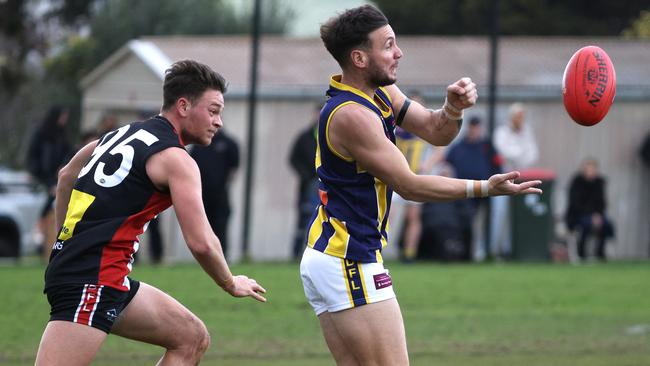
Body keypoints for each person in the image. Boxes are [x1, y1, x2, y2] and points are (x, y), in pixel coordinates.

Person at [299, 5, 542, 365]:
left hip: (336, 256)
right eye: (389, 45)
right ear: (359, 58)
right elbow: (408, 185)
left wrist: (453, 109)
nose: (399, 53)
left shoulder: (381, 93)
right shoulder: (352, 115)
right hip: (348, 259)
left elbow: (434, 129)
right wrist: (484, 188)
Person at [35, 60, 266, 366]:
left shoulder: (120, 134)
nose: (219, 121)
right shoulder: (176, 159)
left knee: (191, 338)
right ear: (183, 106)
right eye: (213, 110)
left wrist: (64, 240)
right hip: (91, 279)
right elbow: (202, 243)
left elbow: (66, 177)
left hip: (104, 277)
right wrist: (229, 282)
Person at [446, 116, 502, 259]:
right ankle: (467, 254)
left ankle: (489, 252)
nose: (475, 131)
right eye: (472, 127)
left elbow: (498, 165)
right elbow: (447, 165)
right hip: (465, 192)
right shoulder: (458, 147)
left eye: (477, 128)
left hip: (487, 191)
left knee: (489, 222)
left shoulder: (487, 146)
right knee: (467, 223)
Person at [491, 102, 539, 260]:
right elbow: (505, 151)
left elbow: (532, 155)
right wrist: (520, 153)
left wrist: (519, 154)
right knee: (500, 214)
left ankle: (511, 251)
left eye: (522, 116)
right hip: (503, 177)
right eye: (518, 115)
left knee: (518, 216)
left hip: (522, 178)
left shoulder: (527, 132)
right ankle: (495, 251)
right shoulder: (501, 132)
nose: (520, 119)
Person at [26, 105, 74, 262]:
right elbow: (33, 157)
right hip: (42, 178)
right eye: (62, 116)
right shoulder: (41, 134)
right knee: (46, 208)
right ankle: (39, 238)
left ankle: (48, 242)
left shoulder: (62, 135)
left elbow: (69, 154)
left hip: (57, 178)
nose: (64, 120)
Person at [190, 128, 240, 257]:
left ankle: (222, 256)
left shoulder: (228, 143)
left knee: (221, 225)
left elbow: (234, 167)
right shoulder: (199, 145)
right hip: (202, 193)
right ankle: (206, 257)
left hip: (220, 193)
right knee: (204, 226)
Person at [393, 91, 430, 262]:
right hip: (395, 176)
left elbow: (440, 149)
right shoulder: (396, 125)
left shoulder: (425, 127)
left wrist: (427, 165)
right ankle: (380, 249)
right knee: (388, 214)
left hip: (416, 176)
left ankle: (410, 253)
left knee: (413, 216)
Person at [565, 157, 615, 261]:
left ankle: (600, 254)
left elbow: (601, 203)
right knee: (586, 225)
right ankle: (582, 254)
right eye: (588, 170)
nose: (590, 172)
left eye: (593, 170)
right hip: (577, 215)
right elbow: (575, 203)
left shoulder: (599, 183)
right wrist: (591, 216)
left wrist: (598, 215)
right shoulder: (577, 182)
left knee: (607, 225)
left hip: (596, 215)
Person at [289, 105, 320, 260]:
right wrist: (306, 176)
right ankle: (296, 253)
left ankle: (317, 252)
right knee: (304, 218)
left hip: (327, 186)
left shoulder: (334, 135)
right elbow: (293, 159)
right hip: (308, 186)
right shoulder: (304, 137)